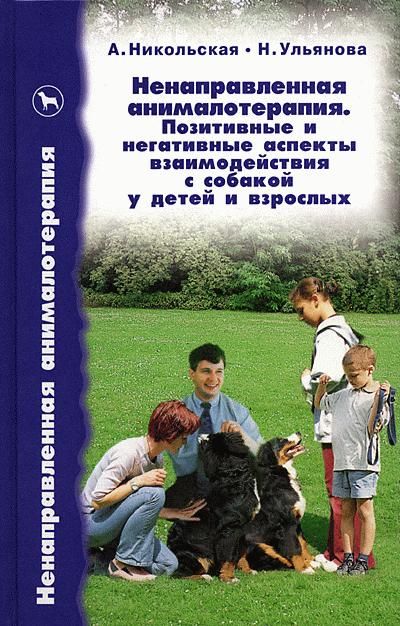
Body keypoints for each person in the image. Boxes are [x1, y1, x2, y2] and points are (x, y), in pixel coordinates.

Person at [289, 277, 374, 571]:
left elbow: (327, 379)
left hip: (337, 424)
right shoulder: (343, 329)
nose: (301, 317)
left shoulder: (328, 335)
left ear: (316, 299)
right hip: (350, 422)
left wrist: (305, 379)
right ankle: (335, 551)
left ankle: (343, 557)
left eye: (301, 310)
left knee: (339, 492)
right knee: (345, 491)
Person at [82, 400, 205, 582]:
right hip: (91, 523)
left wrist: (172, 513)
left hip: (113, 524)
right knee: (155, 493)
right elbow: (98, 500)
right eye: (183, 437)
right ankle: (122, 564)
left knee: (168, 565)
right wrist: (137, 481)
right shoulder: (128, 453)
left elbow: (139, 506)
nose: (185, 443)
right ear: (170, 434)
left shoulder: (157, 458)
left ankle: (95, 561)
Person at [315, 345, 390, 575]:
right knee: (346, 511)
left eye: (355, 375)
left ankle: (363, 560)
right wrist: (322, 386)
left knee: (365, 511)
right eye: (348, 375)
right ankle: (348, 558)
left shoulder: (379, 397)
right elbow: (320, 403)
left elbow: (373, 427)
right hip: (342, 463)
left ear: (370, 370)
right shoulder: (343, 395)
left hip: (363, 465)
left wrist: (380, 399)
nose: (351, 380)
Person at [165, 343, 263, 507]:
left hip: (229, 489)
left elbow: (262, 454)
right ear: (192, 374)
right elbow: (157, 455)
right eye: (206, 371)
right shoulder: (176, 413)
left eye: (219, 372)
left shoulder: (237, 412)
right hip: (189, 488)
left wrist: (243, 437)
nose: (213, 379)